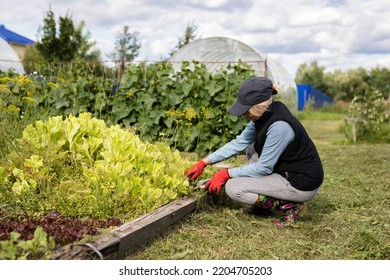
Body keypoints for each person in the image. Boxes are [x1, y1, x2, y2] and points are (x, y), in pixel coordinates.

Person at [185, 77, 324, 227]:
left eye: (246, 109)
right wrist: (205, 162)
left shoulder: (280, 126)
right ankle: (264, 206)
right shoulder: (264, 115)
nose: (244, 114)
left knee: (234, 188)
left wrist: (226, 174)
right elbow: (239, 142)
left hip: (299, 183)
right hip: (284, 171)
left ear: (259, 106)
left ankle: (291, 207)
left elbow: (264, 167)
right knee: (251, 148)